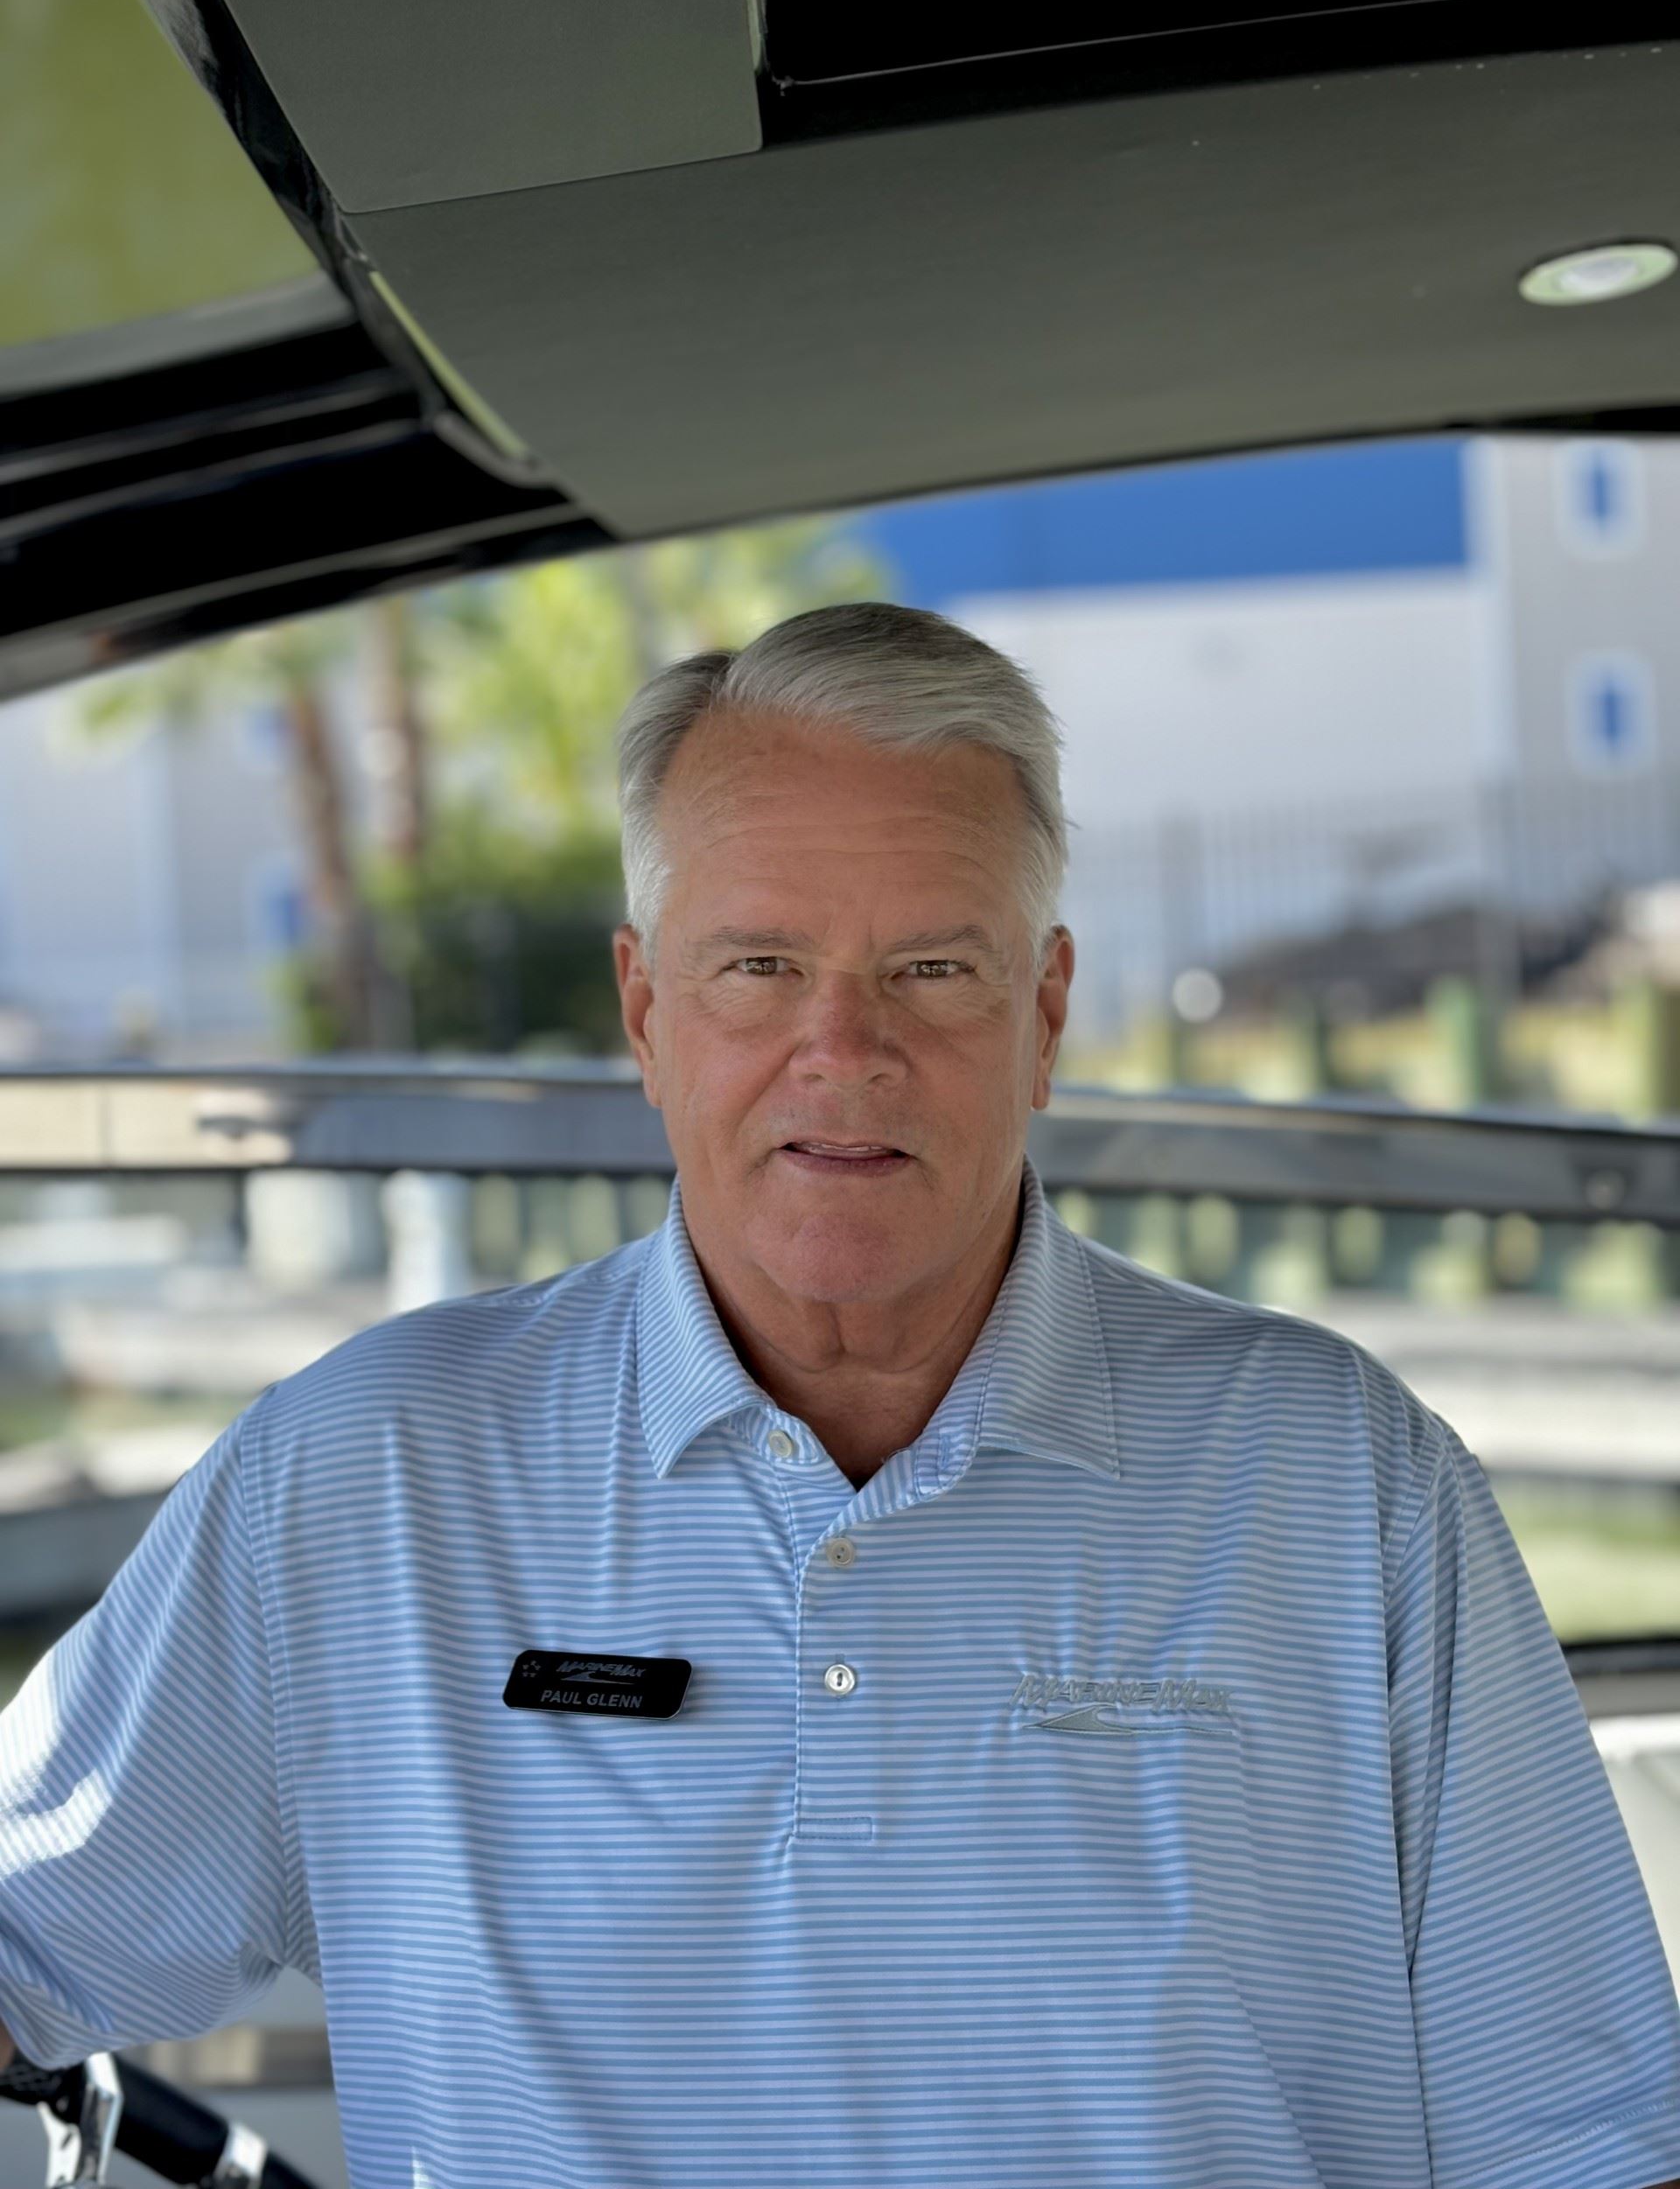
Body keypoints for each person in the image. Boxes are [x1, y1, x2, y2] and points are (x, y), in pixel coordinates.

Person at [2, 600, 1677, 2189]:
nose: (844, 1048)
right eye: (758, 967)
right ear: (647, 1015)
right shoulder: (364, 1482)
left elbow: (1580, 2126)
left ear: (1045, 1014)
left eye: (934, 970)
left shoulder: (1340, 1481)